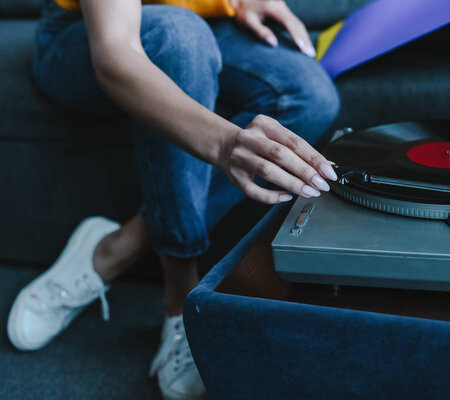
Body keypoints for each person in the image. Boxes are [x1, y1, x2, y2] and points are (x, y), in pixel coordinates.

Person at [7, 0, 340, 398]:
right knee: (179, 38)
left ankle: (120, 246)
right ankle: (180, 293)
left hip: (204, 22)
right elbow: (116, 51)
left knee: (311, 94)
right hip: (84, 36)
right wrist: (224, 143)